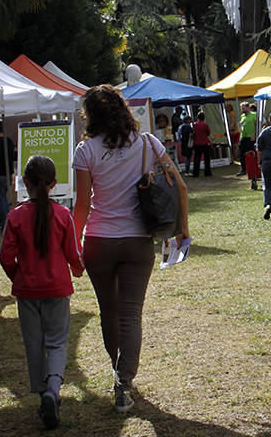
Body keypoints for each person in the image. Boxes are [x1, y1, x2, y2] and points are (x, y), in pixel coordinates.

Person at [72, 85, 189, 413]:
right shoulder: (148, 143)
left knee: (108, 313)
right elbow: (179, 185)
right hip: (138, 241)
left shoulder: (85, 151)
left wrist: (72, 247)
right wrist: (183, 230)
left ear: (90, 115)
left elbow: (81, 205)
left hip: (98, 241)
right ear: (123, 109)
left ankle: (118, 372)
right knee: (130, 315)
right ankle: (123, 383)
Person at [0, 155, 84, 429]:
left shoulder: (15, 216)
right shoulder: (63, 215)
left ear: (25, 183)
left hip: (27, 291)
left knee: (33, 344)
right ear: (54, 184)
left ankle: (41, 390)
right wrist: (78, 269)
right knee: (57, 342)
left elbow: (4, 256)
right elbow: (74, 253)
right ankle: (53, 390)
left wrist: (18, 276)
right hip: (57, 289)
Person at [237, 101, 257, 176]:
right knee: (241, 154)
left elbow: (257, 126)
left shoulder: (254, 115)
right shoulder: (242, 116)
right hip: (243, 137)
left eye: (243, 108)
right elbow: (241, 126)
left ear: (248, 107)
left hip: (250, 137)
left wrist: (254, 136)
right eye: (241, 108)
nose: (242, 109)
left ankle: (252, 169)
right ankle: (243, 169)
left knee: (251, 154)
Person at [191, 111, 212, 177]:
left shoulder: (194, 125)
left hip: (197, 144)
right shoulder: (205, 125)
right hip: (205, 143)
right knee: (207, 159)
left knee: (197, 159)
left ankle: (195, 173)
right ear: (204, 118)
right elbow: (208, 133)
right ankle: (207, 173)